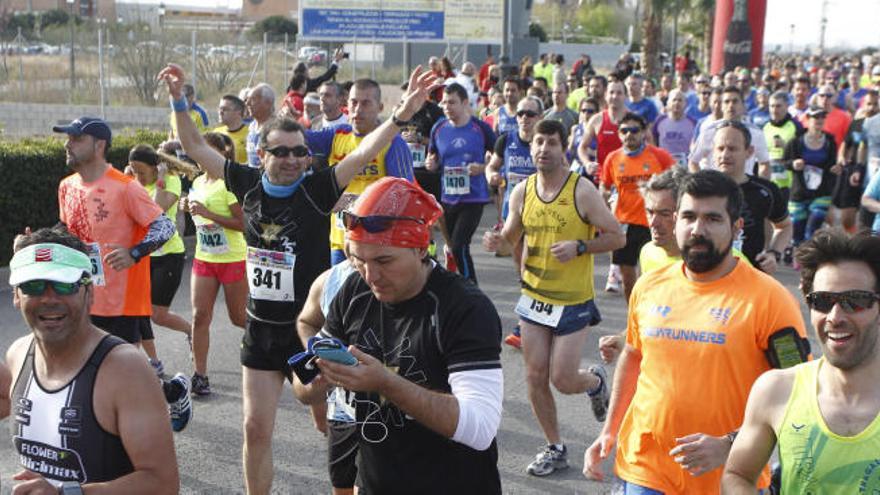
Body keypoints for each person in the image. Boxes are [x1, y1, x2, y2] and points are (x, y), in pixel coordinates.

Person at [159, 61, 439, 495]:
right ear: (262, 154)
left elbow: (365, 153)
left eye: (298, 151)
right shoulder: (245, 183)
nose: (291, 160)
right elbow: (194, 144)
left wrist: (402, 114)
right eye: (281, 151)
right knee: (255, 428)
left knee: (327, 418)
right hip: (262, 330)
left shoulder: (317, 188)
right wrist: (179, 99)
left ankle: (343, 460)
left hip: (308, 331)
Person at [583, 169, 809, 494]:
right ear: (676, 221)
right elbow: (634, 356)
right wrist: (610, 429)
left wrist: (731, 443)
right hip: (645, 467)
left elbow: (796, 392)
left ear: (736, 227)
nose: (698, 230)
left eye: (713, 219)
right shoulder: (649, 286)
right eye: (689, 216)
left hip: (729, 476)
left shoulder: (770, 300)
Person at [294, 177, 504, 494]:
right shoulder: (353, 290)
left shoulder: (464, 307)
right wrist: (323, 377)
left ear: (421, 248)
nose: (370, 275)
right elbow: (303, 389)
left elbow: (480, 427)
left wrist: (384, 382)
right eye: (358, 259)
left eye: (383, 260)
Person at [484, 119, 625, 477]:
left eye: (551, 143)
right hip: (534, 296)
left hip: (573, 299)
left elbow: (617, 236)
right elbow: (510, 240)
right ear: (530, 148)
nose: (543, 149)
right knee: (534, 376)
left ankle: (593, 381)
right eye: (538, 142)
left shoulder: (582, 191)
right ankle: (555, 447)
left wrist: (581, 246)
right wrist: (497, 243)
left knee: (562, 379)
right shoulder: (522, 192)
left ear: (564, 148)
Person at [6, 228, 179, 493]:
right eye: (33, 285)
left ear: (89, 293)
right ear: (17, 296)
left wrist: (69, 493)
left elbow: (162, 483)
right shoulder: (18, 354)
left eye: (65, 285)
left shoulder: (124, 369)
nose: (49, 299)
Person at [52, 116, 192, 431]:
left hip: (121, 302)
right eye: (68, 138)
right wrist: (41, 240)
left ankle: (171, 394)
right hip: (81, 296)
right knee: (86, 371)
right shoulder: (67, 186)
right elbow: (67, 228)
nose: (68, 144)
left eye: (76, 139)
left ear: (99, 145)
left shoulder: (126, 187)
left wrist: (135, 253)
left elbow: (164, 226)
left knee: (121, 376)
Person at [722, 229, 880, 494]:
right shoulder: (777, 390)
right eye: (822, 301)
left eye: (855, 302)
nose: (835, 316)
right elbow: (737, 474)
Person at [305, 78, 414, 266]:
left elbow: (404, 197)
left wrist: (355, 203)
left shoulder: (393, 142)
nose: (358, 109)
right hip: (340, 242)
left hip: (375, 244)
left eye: (366, 103)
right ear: (346, 105)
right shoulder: (336, 134)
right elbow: (299, 138)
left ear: (379, 107)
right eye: (354, 102)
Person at [181, 132, 248, 396]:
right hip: (205, 257)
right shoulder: (198, 181)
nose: (200, 157)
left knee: (239, 317)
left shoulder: (229, 184)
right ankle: (200, 375)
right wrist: (188, 206)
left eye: (205, 151)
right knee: (199, 317)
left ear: (220, 154)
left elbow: (243, 224)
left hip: (232, 258)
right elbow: (198, 216)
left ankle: (271, 346)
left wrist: (209, 214)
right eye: (197, 152)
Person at [127, 144, 193, 376]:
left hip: (168, 255)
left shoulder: (171, 180)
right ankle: (153, 361)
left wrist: (162, 179)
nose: (138, 176)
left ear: (156, 168)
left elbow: (154, 209)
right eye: (133, 170)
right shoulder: (133, 183)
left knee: (158, 315)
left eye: (141, 171)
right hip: (142, 255)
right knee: (139, 311)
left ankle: (191, 331)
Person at [426, 83, 497, 284]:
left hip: (474, 197)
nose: (447, 107)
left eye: (452, 102)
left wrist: (483, 168)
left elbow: (498, 155)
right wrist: (431, 164)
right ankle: (460, 280)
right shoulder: (438, 128)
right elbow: (433, 159)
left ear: (465, 103)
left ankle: (470, 287)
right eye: (444, 102)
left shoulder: (479, 128)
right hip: (448, 197)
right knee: (451, 246)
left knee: (459, 245)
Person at [600, 112, 675, 301]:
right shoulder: (613, 158)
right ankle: (633, 320)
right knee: (628, 279)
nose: (629, 134)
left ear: (644, 133)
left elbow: (678, 180)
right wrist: (605, 214)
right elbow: (605, 186)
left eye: (634, 130)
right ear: (618, 134)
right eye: (624, 130)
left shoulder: (659, 156)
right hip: (624, 224)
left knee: (652, 274)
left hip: (653, 222)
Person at [714, 120, 792, 273]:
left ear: (749, 152)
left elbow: (785, 226)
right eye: (720, 148)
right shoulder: (699, 189)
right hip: (710, 276)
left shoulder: (765, 190)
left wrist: (773, 254)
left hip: (752, 276)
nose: (725, 155)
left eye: (732, 149)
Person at [784, 107, 839, 249]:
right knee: (798, 230)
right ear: (808, 119)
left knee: (813, 226)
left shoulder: (830, 142)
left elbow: (833, 164)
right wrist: (793, 164)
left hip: (822, 191)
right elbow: (786, 162)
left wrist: (836, 168)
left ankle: (808, 258)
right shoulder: (796, 141)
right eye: (816, 117)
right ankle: (798, 253)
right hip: (799, 190)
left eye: (822, 117)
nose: (819, 120)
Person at [690, 86, 771, 179]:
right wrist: (702, 186)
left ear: (743, 105)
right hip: (716, 187)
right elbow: (693, 162)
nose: (731, 105)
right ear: (722, 106)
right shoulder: (710, 130)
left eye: (735, 101)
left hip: (744, 188)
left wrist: (760, 187)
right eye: (726, 102)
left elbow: (765, 163)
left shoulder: (755, 133)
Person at [651, 89, 697, 168]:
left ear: (685, 104)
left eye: (680, 100)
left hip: (685, 166)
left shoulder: (693, 123)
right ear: (668, 103)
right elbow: (653, 140)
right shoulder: (659, 121)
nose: (677, 103)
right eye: (674, 100)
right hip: (664, 165)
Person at [245, 83, 276, 168]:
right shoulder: (252, 127)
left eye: (252, 100)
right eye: (247, 100)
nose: (247, 103)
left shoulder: (276, 128)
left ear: (268, 103)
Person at [214, 94, 250, 164]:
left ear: (238, 112)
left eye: (225, 109)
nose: (220, 112)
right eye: (219, 109)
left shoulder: (249, 134)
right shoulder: (216, 133)